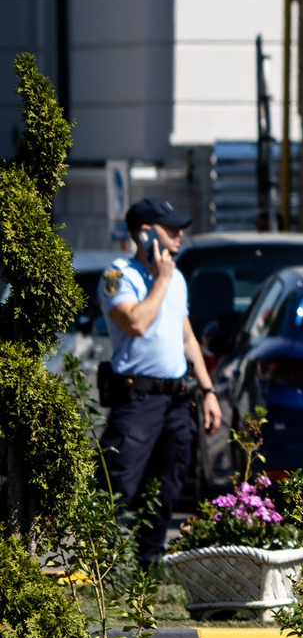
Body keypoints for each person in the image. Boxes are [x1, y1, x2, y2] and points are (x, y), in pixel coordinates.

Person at [98, 197, 222, 564]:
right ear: (146, 232)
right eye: (171, 228)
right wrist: (161, 280)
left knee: (168, 483)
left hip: (176, 400)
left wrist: (209, 390)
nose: (180, 234)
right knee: (118, 482)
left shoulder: (177, 277)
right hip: (137, 399)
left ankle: (149, 563)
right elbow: (135, 322)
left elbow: (187, 338)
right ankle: (101, 564)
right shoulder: (116, 276)